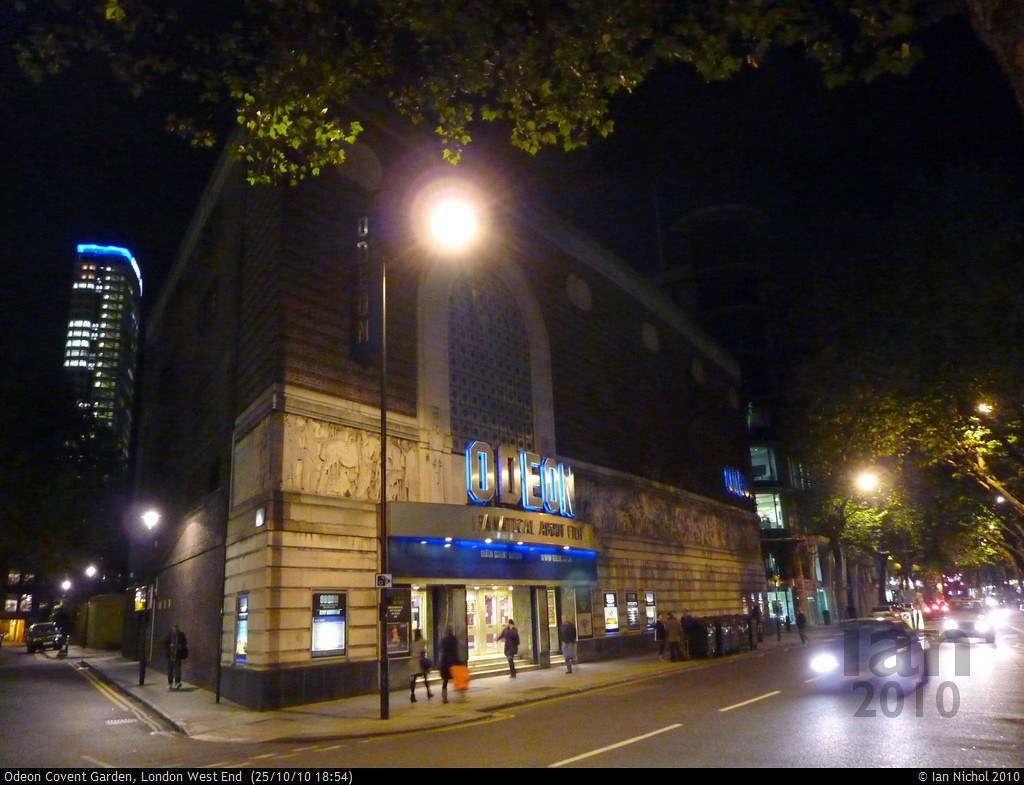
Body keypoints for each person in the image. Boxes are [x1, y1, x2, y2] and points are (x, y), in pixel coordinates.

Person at [439, 625, 462, 704]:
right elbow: (456, 650)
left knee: (445, 680)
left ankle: (444, 697)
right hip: (453, 661)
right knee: (458, 678)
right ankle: (461, 695)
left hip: (445, 662)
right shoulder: (454, 639)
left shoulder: (443, 640)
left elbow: (442, 650)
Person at [408, 628, 433, 702]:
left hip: (413, 661)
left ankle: (412, 695)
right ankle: (428, 692)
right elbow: (424, 647)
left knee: (414, 679)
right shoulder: (421, 641)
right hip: (419, 661)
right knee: (425, 677)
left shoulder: (412, 643)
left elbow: (410, 651)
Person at [163, 625, 188, 690]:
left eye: (176, 629)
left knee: (177, 670)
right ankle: (170, 683)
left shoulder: (181, 635)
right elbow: (164, 644)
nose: (175, 630)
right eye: (174, 629)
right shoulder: (169, 635)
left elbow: (184, 643)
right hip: (170, 655)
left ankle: (177, 682)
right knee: (170, 670)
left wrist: (180, 646)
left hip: (177, 655)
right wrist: (169, 646)